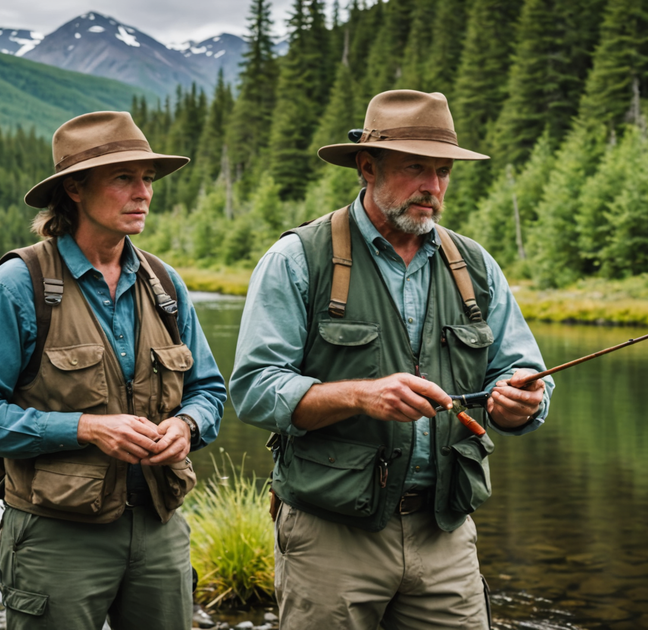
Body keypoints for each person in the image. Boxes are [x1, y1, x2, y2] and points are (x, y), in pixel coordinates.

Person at [230, 89, 555, 629]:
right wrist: (361, 395)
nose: (433, 187)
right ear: (366, 166)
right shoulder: (297, 258)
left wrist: (522, 402)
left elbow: (519, 371)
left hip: (445, 531)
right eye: (415, 169)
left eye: (443, 171)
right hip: (329, 535)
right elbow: (256, 388)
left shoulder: (475, 265)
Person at [0, 111, 226, 630]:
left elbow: (208, 388)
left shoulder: (164, 284)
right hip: (55, 535)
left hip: (161, 526)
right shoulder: (15, 285)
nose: (144, 193)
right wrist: (86, 427)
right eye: (124, 178)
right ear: (73, 188)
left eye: (148, 179)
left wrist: (187, 427)